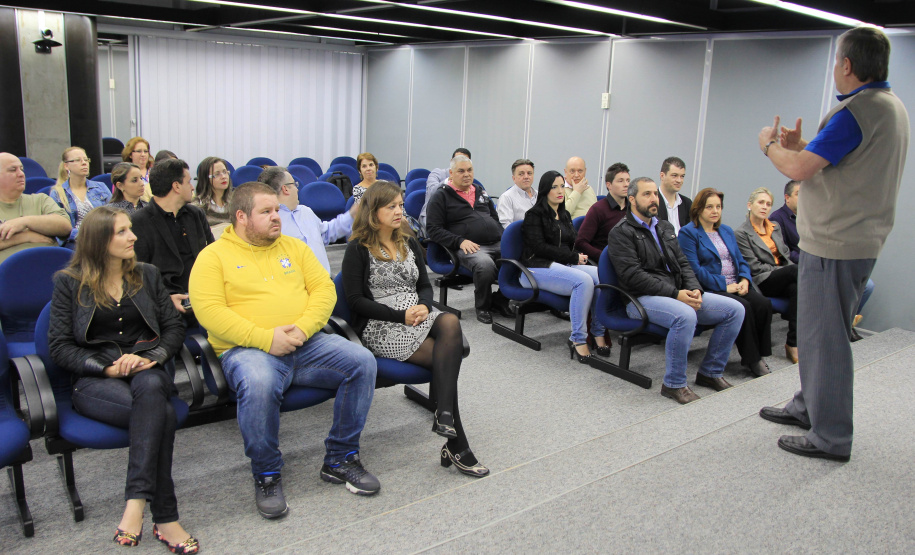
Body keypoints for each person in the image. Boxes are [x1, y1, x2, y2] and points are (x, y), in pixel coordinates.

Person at [756, 27, 909, 462]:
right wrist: (802, 146)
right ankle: (809, 406)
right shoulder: (889, 107)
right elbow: (839, 161)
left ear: (846, 65)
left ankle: (831, 436)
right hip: (858, 239)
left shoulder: (856, 111)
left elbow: (801, 170)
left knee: (827, 340)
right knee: (822, 333)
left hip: (836, 244)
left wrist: (769, 144)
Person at [189, 182, 380, 519]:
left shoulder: (294, 247)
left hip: (307, 342)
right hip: (247, 350)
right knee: (259, 383)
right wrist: (266, 338)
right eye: (266, 212)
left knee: (362, 361)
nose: (277, 217)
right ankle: (266, 473)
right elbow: (210, 314)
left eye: (276, 209)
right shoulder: (213, 257)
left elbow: (323, 291)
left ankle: (340, 458)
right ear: (241, 217)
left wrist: (304, 328)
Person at [48, 206, 198, 553]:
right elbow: (59, 347)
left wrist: (152, 358)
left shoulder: (146, 274)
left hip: (148, 371)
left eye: (130, 229)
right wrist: (106, 368)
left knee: (151, 387)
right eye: (122, 232)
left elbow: (174, 328)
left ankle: (136, 504)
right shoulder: (69, 283)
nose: (133, 237)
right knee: (161, 414)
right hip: (96, 379)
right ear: (98, 240)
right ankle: (165, 517)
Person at [342, 181, 488, 477]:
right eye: (391, 206)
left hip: (418, 314)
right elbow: (356, 302)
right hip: (382, 324)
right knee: (448, 355)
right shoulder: (357, 248)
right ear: (373, 212)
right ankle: (455, 440)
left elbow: (424, 285)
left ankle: (444, 414)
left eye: (400, 204)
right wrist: (400, 316)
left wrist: (423, 304)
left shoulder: (408, 241)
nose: (400, 211)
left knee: (449, 321)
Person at [606, 177, 744, 404]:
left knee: (735, 310)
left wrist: (695, 289)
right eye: (646, 194)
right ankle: (674, 383)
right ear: (632, 199)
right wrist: (676, 294)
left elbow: (683, 264)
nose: (654, 199)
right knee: (685, 315)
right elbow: (634, 276)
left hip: (676, 292)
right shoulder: (621, 232)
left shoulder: (664, 227)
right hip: (640, 299)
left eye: (654, 194)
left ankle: (710, 372)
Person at [678, 188, 772, 377]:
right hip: (713, 287)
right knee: (743, 306)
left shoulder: (726, 231)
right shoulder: (688, 233)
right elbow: (695, 270)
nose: (715, 211)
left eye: (718, 207)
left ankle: (760, 353)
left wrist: (745, 279)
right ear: (698, 209)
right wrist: (725, 286)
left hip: (736, 284)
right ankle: (752, 360)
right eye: (709, 207)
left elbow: (741, 260)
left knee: (763, 304)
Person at [769, 180, 874, 338]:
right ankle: (836, 328)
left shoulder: (812, 215)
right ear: (787, 197)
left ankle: (845, 323)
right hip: (801, 268)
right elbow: (784, 253)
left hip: (823, 262)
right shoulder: (777, 219)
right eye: (798, 194)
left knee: (866, 286)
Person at [521, 171, 607, 360]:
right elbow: (539, 247)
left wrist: (578, 255)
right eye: (554, 187)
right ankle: (578, 339)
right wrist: (572, 256)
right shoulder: (534, 215)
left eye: (562, 186)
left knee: (601, 276)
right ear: (545, 190)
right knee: (583, 281)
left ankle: (598, 331)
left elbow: (572, 242)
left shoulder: (564, 213)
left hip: (562, 264)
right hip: (536, 267)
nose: (560, 191)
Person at [426, 155, 511, 324]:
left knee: (521, 258)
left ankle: (500, 300)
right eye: (461, 171)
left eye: (470, 170)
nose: (467, 174)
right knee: (485, 266)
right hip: (467, 246)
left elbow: (494, 218)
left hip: (496, 242)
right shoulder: (441, 195)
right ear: (451, 173)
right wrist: (459, 241)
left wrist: (504, 238)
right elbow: (433, 229)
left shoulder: (480, 191)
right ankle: (483, 306)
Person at [131, 159, 215, 319]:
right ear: (176, 186)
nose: (192, 187)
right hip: (165, 301)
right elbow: (137, 274)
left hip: (203, 294)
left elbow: (212, 253)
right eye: (188, 182)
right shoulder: (138, 222)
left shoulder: (195, 215)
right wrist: (165, 300)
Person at [734, 187, 798, 364]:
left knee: (797, 288)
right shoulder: (741, 233)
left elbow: (784, 253)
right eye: (760, 202)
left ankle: (793, 342)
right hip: (763, 279)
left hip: (785, 276)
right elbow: (754, 267)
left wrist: (786, 269)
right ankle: (828, 316)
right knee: (798, 271)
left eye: (768, 204)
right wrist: (784, 270)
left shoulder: (774, 227)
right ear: (750, 205)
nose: (765, 207)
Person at [257, 166, 355, 274]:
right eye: (294, 184)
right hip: (294, 286)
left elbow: (325, 234)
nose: (297, 189)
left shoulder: (305, 211)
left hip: (324, 282)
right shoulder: (270, 222)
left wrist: (352, 214)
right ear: (285, 189)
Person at [0, 153, 71, 264]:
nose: (21, 174)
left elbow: (65, 226)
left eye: (22, 169)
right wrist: (25, 237)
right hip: (8, 275)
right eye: (13, 170)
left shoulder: (40, 200)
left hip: (50, 267)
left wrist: (24, 222)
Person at [48, 146, 112, 247]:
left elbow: (113, 214)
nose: (84, 163)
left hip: (102, 238)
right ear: (66, 166)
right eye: (78, 160)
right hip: (74, 243)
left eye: (86, 159)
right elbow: (58, 228)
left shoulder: (100, 187)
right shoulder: (57, 193)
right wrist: (85, 236)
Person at [575, 162, 630, 261]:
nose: (626, 185)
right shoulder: (598, 209)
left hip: (630, 261)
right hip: (607, 262)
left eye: (628, 180)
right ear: (609, 185)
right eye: (620, 181)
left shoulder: (634, 209)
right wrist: (606, 258)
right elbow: (580, 242)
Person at [419, 147, 470, 234]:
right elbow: (432, 191)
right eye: (457, 160)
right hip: (433, 218)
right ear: (451, 161)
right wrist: (449, 181)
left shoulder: (468, 181)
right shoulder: (438, 173)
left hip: (457, 219)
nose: (461, 163)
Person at [193, 156, 233, 228]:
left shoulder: (235, 203)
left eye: (225, 172)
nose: (223, 176)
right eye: (217, 174)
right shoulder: (197, 206)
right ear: (206, 178)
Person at [656, 156, 692, 235]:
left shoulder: (687, 203)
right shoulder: (652, 202)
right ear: (662, 176)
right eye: (674, 175)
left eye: (682, 176)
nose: (679, 180)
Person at [496, 159, 536, 228]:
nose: (526, 177)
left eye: (529, 173)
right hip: (519, 236)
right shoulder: (506, 198)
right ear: (514, 178)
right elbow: (506, 227)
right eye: (521, 174)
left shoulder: (540, 195)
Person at [121, 137, 153, 201]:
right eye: (139, 151)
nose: (143, 154)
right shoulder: (123, 174)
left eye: (146, 151)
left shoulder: (155, 171)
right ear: (130, 154)